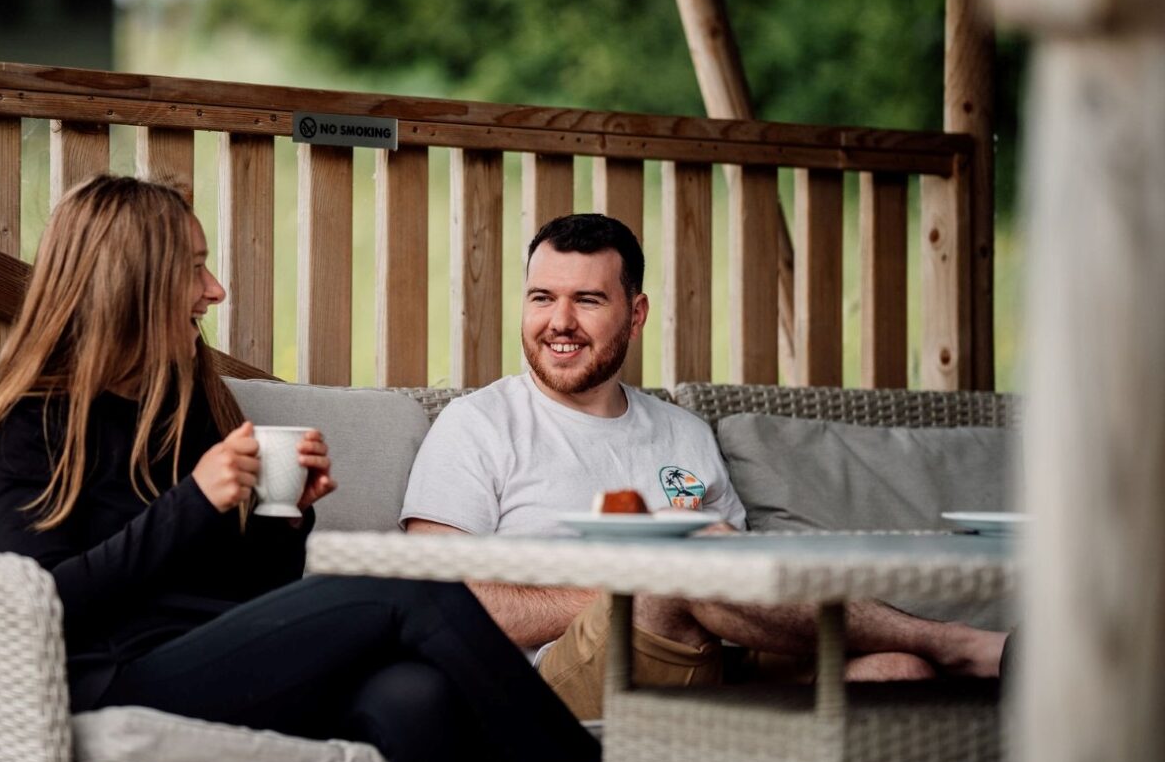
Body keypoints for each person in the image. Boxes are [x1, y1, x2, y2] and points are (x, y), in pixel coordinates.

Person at [0, 175, 598, 762]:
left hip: (221, 659)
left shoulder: (184, 404)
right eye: (193, 267)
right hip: (119, 677)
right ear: (134, 282)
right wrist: (195, 500)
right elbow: (40, 602)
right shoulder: (31, 422)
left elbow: (249, 591)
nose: (214, 289)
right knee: (411, 584)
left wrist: (282, 516)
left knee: (415, 695)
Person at [401, 213, 1008, 720]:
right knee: (678, 558)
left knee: (899, 673)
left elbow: (743, 585)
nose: (559, 322)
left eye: (587, 300)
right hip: (554, 684)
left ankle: (930, 654)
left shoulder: (684, 433)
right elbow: (437, 605)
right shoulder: (478, 423)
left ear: (636, 315)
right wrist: (627, 586)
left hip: (717, 655)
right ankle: (957, 642)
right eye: (542, 298)